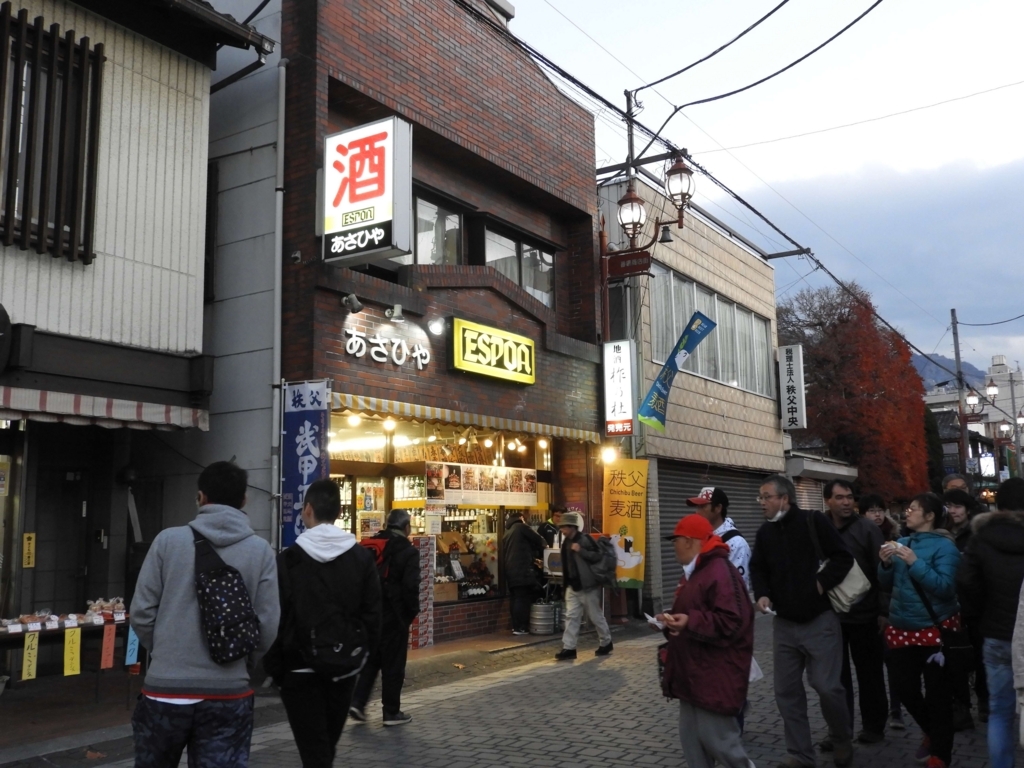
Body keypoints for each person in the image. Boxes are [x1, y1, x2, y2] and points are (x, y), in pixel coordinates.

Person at [130, 461, 280, 768]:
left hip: (165, 691)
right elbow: (268, 624)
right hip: (228, 693)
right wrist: (242, 661)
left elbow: (142, 612)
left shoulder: (167, 541)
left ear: (200, 497)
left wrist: (166, 654)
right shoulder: (260, 550)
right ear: (244, 501)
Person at [265, 480, 381, 767]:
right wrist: (359, 656)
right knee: (325, 748)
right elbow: (373, 615)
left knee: (315, 752)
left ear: (307, 510)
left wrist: (277, 670)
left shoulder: (288, 560)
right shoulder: (360, 558)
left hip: (298, 670)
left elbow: (274, 617)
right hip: (343, 669)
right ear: (339, 512)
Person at [750, 473, 855, 768]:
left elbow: (843, 558)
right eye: (760, 497)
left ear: (784, 498)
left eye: (766, 497)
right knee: (786, 692)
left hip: (820, 621)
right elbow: (757, 568)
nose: (761, 503)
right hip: (783, 624)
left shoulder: (813, 521)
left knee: (826, 686)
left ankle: (841, 737)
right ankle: (800, 754)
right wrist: (762, 594)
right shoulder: (764, 533)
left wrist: (821, 583)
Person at [660, 514, 755, 768]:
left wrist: (689, 621)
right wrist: (671, 623)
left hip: (713, 677)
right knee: (694, 747)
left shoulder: (719, 571)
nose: (674, 547)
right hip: (693, 676)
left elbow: (732, 622)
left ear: (690, 541)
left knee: (723, 746)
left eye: (675, 541)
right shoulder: (697, 571)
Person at [878, 493, 961, 768]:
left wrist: (915, 562)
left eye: (914, 509)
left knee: (938, 695)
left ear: (930, 516)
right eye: (908, 509)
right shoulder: (902, 542)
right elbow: (887, 584)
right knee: (904, 689)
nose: (907, 513)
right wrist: (886, 564)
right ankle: (932, 732)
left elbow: (945, 587)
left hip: (934, 630)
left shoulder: (946, 548)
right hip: (901, 628)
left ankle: (941, 753)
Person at [957, 477, 1024, 768]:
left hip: (995, 634)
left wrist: (982, 612)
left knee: (999, 711)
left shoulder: (981, 537)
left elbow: (965, 581)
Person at [819, 480, 888, 747]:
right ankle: (839, 730)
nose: (846, 502)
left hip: (866, 615)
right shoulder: (818, 528)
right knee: (835, 679)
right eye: (839, 498)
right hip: (830, 615)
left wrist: (883, 610)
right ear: (827, 501)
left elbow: (883, 571)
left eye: (849, 497)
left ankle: (874, 727)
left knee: (869, 675)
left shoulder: (867, 529)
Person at [349, 509, 421, 726]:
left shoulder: (370, 544)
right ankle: (391, 712)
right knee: (394, 664)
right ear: (406, 527)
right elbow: (411, 587)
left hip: (369, 614)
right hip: (393, 615)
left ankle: (358, 703)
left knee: (372, 660)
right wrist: (409, 614)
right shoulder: (407, 551)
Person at [860, 493, 906, 732]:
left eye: (880, 510)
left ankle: (896, 710)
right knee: (873, 664)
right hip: (867, 609)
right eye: (871, 510)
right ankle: (880, 710)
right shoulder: (860, 537)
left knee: (894, 661)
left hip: (893, 608)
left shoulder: (897, 538)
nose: (877, 515)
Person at [945, 487, 987, 726]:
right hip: (952, 605)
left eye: (957, 506)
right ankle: (962, 706)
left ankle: (983, 700)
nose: (953, 511)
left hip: (977, 606)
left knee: (980, 656)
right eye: (949, 507)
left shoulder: (978, 534)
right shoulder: (944, 534)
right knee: (956, 659)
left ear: (967, 510)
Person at [554, 511, 613, 660]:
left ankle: (606, 642)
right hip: (572, 586)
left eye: (564, 528)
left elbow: (598, 556)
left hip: (588, 586)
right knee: (571, 617)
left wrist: (582, 551)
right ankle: (569, 648)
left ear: (572, 527)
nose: (562, 530)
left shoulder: (585, 539)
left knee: (595, 616)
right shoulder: (566, 542)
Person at [687, 487, 751, 592]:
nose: (697, 512)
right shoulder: (701, 537)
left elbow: (736, 589)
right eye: (697, 507)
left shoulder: (736, 543)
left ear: (718, 508)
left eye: (702, 506)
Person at [502, 511, 547, 635]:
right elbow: (539, 539)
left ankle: (515, 626)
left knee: (515, 597)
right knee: (523, 598)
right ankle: (521, 627)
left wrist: (533, 559)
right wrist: (546, 548)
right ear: (521, 518)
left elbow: (518, 550)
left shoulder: (508, 532)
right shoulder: (521, 527)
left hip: (510, 569)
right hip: (522, 570)